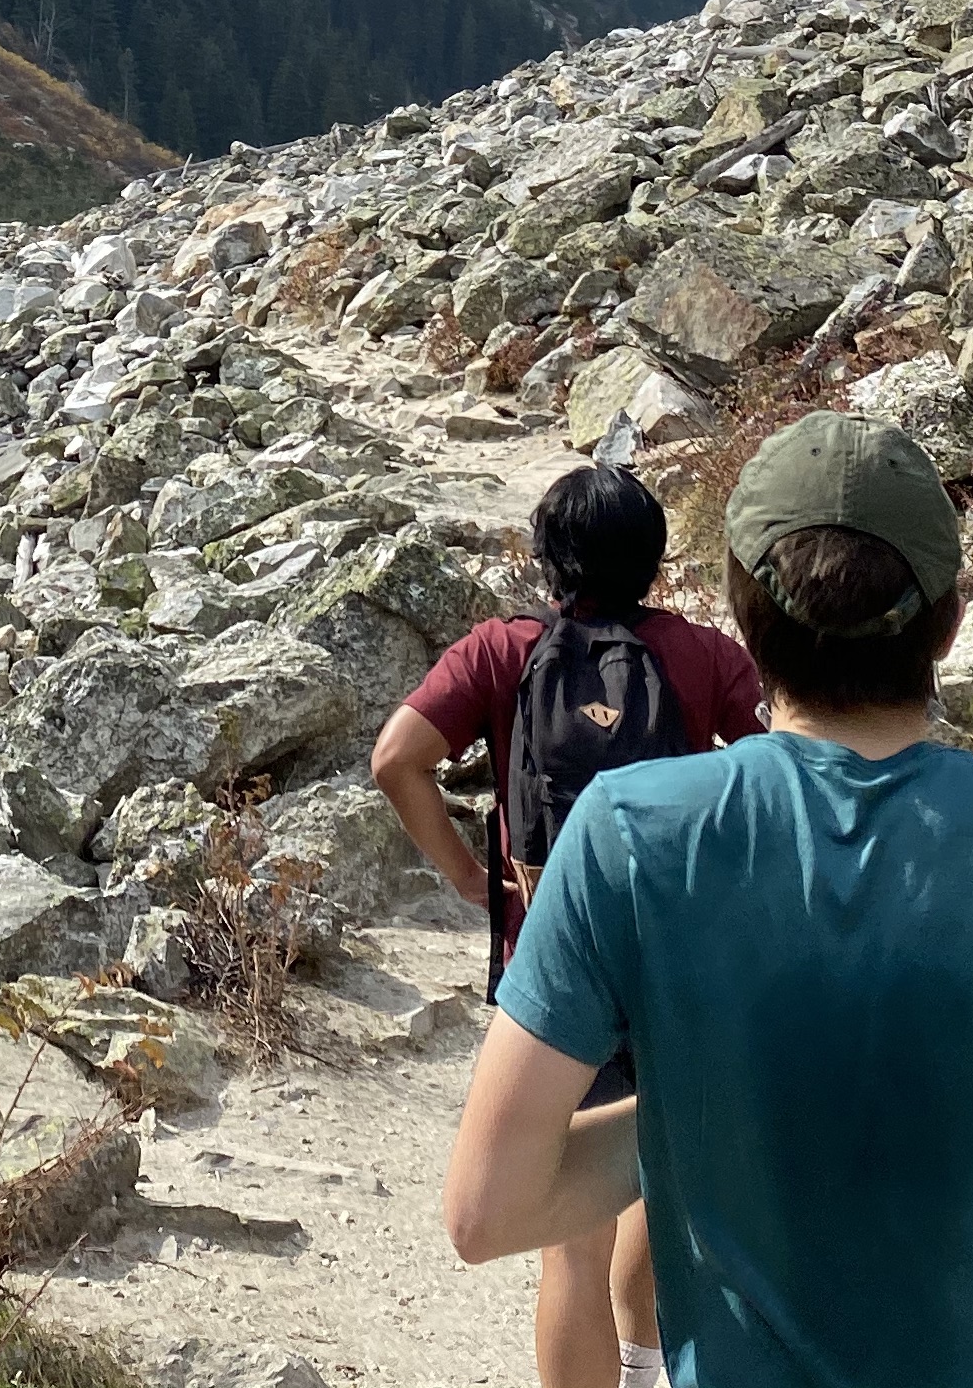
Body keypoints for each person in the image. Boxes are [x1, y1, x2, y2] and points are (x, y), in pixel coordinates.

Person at [438, 414, 973, 1388]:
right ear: (948, 623)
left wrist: (708, 1111)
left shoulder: (630, 836)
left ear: (742, 618)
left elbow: (489, 1211)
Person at [371, 463, 761, 1388]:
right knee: (656, 1178)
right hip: (677, 973)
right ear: (655, 558)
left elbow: (397, 760)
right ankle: (644, 1366)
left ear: (549, 558)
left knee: (568, 1248)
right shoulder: (704, 656)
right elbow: (783, 778)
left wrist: (470, 876)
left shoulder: (503, 650)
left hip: (552, 972)